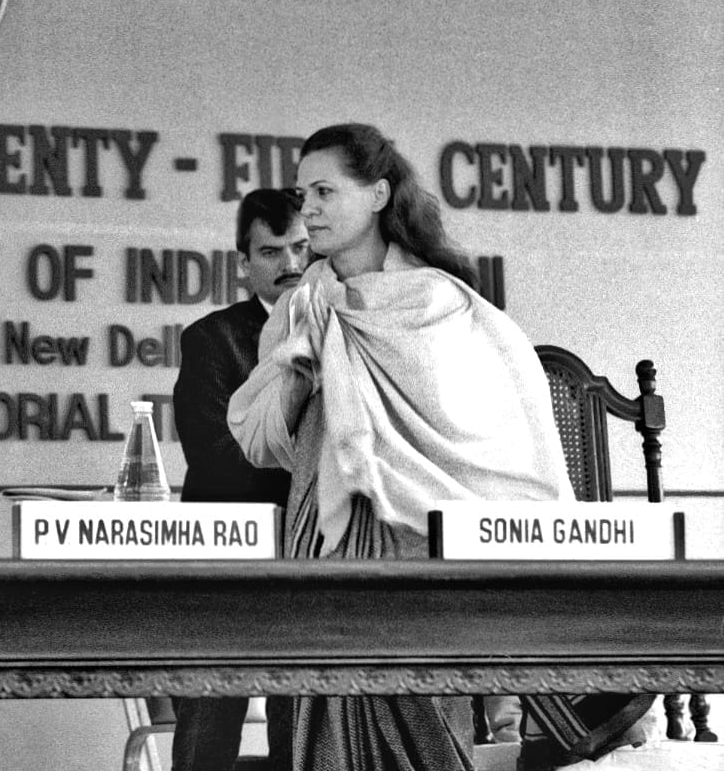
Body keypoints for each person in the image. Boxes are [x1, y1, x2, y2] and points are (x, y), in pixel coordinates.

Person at [227, 123, 573, 770]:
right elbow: (257, 433)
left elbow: (469, 439)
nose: (310, 209)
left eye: (325, 191)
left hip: (415, 550)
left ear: (379, 193)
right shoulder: (304, 302)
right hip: (321, 541)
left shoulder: (436, 303)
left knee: (417, 730)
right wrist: (302, 374)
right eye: (303, 194)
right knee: (321, 728)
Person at [169, 188, 309, 771]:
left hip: (310, 562)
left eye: (301, 247)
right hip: (227, 560)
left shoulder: (344, 333)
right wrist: (304, 464)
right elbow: (214, 457)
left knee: (301, 732)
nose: (292, 265)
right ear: (244, 264)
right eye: (272, 252)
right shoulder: (211, 338)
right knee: (209, 733)